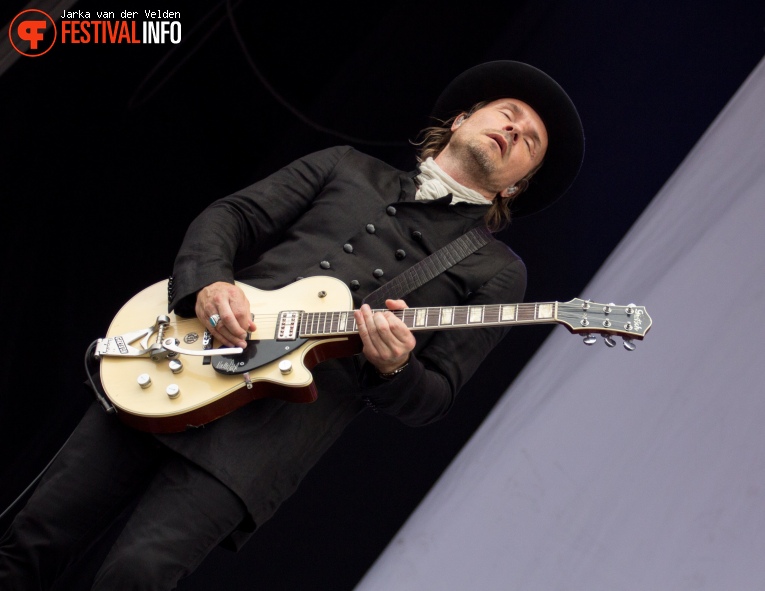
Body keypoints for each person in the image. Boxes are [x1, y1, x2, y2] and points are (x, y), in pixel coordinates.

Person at [0, 60, 584, 589]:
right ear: (460, 119)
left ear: (513, 185)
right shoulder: (345, 165)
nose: (513, 130)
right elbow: (230, 216)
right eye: (507, 115)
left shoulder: (497, 272)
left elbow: (433, 397)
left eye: (529, 141)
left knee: (135, 577)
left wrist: (396, 365)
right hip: (184, 355)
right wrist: (209, 285)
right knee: (34, 539)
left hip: (262, 442)